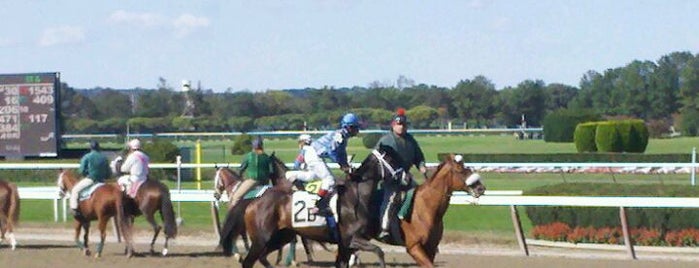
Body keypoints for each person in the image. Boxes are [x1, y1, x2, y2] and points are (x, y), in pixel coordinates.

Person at [374, 108, 426, 239]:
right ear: (393, 125)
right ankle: (384, 228)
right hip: (390, 179)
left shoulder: (410, 140)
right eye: (399, 124)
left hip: (406, 177)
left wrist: (422, 167)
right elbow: (379, 162)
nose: (401, 127)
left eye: (403, 125)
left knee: (420, 195)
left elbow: (418, 157)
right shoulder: (386, 141)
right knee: (390, 199)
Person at [308, 113, 360, 216]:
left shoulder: (343, 136)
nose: (357, 130)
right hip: (314, 155)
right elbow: (332, 151)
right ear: (349, 127)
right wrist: (343, 165)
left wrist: (345, 165)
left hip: (314, 154)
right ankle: (317, 205)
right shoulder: (339, 135)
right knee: (329, 180)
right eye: (355, 127)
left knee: (314, 177)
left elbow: (342, 153)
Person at [230, 136, 273, 208]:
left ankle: (234, 216)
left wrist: (238, 176)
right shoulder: (267, 157)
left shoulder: (249, 156)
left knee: (236, 197)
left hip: (253, 181)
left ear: (253, 146)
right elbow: (271, 172)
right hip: (266, 182)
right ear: (261, 146)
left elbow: (241, 169)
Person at [71, 140, 111, 218]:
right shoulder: (104, 158)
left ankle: (74, 209)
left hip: (91, 180)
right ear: (98, 147)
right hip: (102, 181)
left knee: (74, 190)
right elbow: (108, 173)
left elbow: (81, 170)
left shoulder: (87, 157)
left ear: (90, 147)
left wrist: (85, 173)